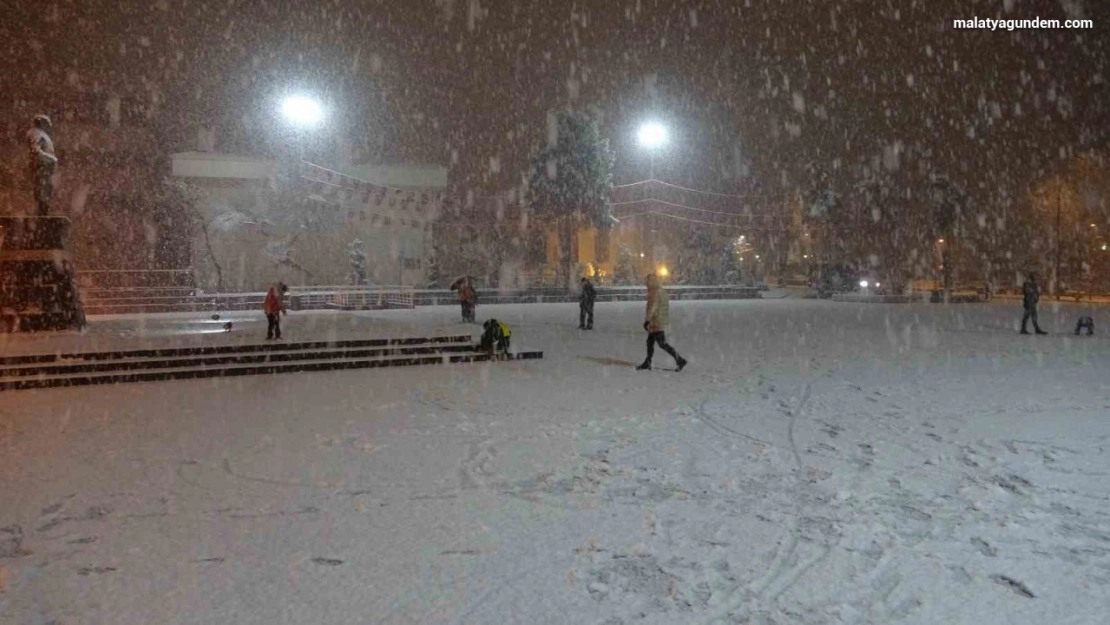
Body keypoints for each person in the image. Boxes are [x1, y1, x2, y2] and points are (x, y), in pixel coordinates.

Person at [637, 273, 687, 371]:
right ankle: (648, 362)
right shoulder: (661, 291)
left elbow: (653, 307)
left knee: (661, 343)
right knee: (650, 342)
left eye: (647, 282)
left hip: (656, 321)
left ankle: (680, 360)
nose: (646, 284)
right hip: (659, 320)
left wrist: (647, 320)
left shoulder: (655, 293)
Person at [26, 114, 58, 216]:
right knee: (42, 197)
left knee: (45, 196)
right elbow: (36, 151)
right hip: (41, 168)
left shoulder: (41, 134)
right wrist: (51, 159)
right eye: (47, 123)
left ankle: (42, 219)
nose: (49, 126)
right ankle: (41, 221)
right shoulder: (36, 133)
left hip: (45, 169)